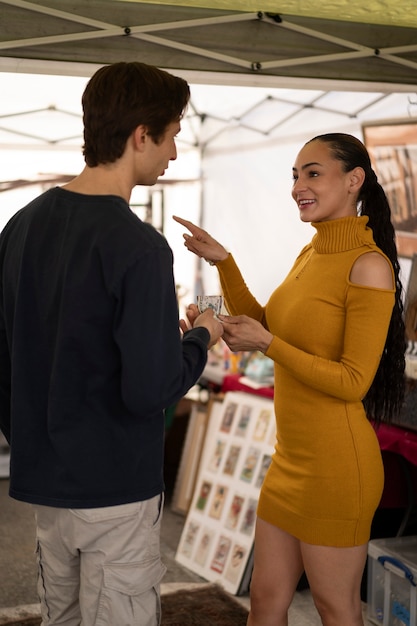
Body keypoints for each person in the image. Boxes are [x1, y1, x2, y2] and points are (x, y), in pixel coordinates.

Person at [0, 62, 223, 626]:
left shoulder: (20, 227)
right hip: (115, 487)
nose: (174, 153)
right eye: (172, 136)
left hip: (47, 481)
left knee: (63, 618)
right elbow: (149, 388)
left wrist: (31, 439)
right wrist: (201, 337)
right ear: (140, 135)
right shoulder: (141, 247)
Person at [174, 132, 406, 626]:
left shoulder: (369, 267)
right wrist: (224, 263)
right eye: (295, 175)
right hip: (289, 464)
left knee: (335, 608)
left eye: (313, 173)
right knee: (265, 600)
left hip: (337, 470)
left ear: (354, 180)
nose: (298, 185)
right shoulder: (311, 253)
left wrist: (268, 344)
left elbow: (352, 382)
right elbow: (267, 323)